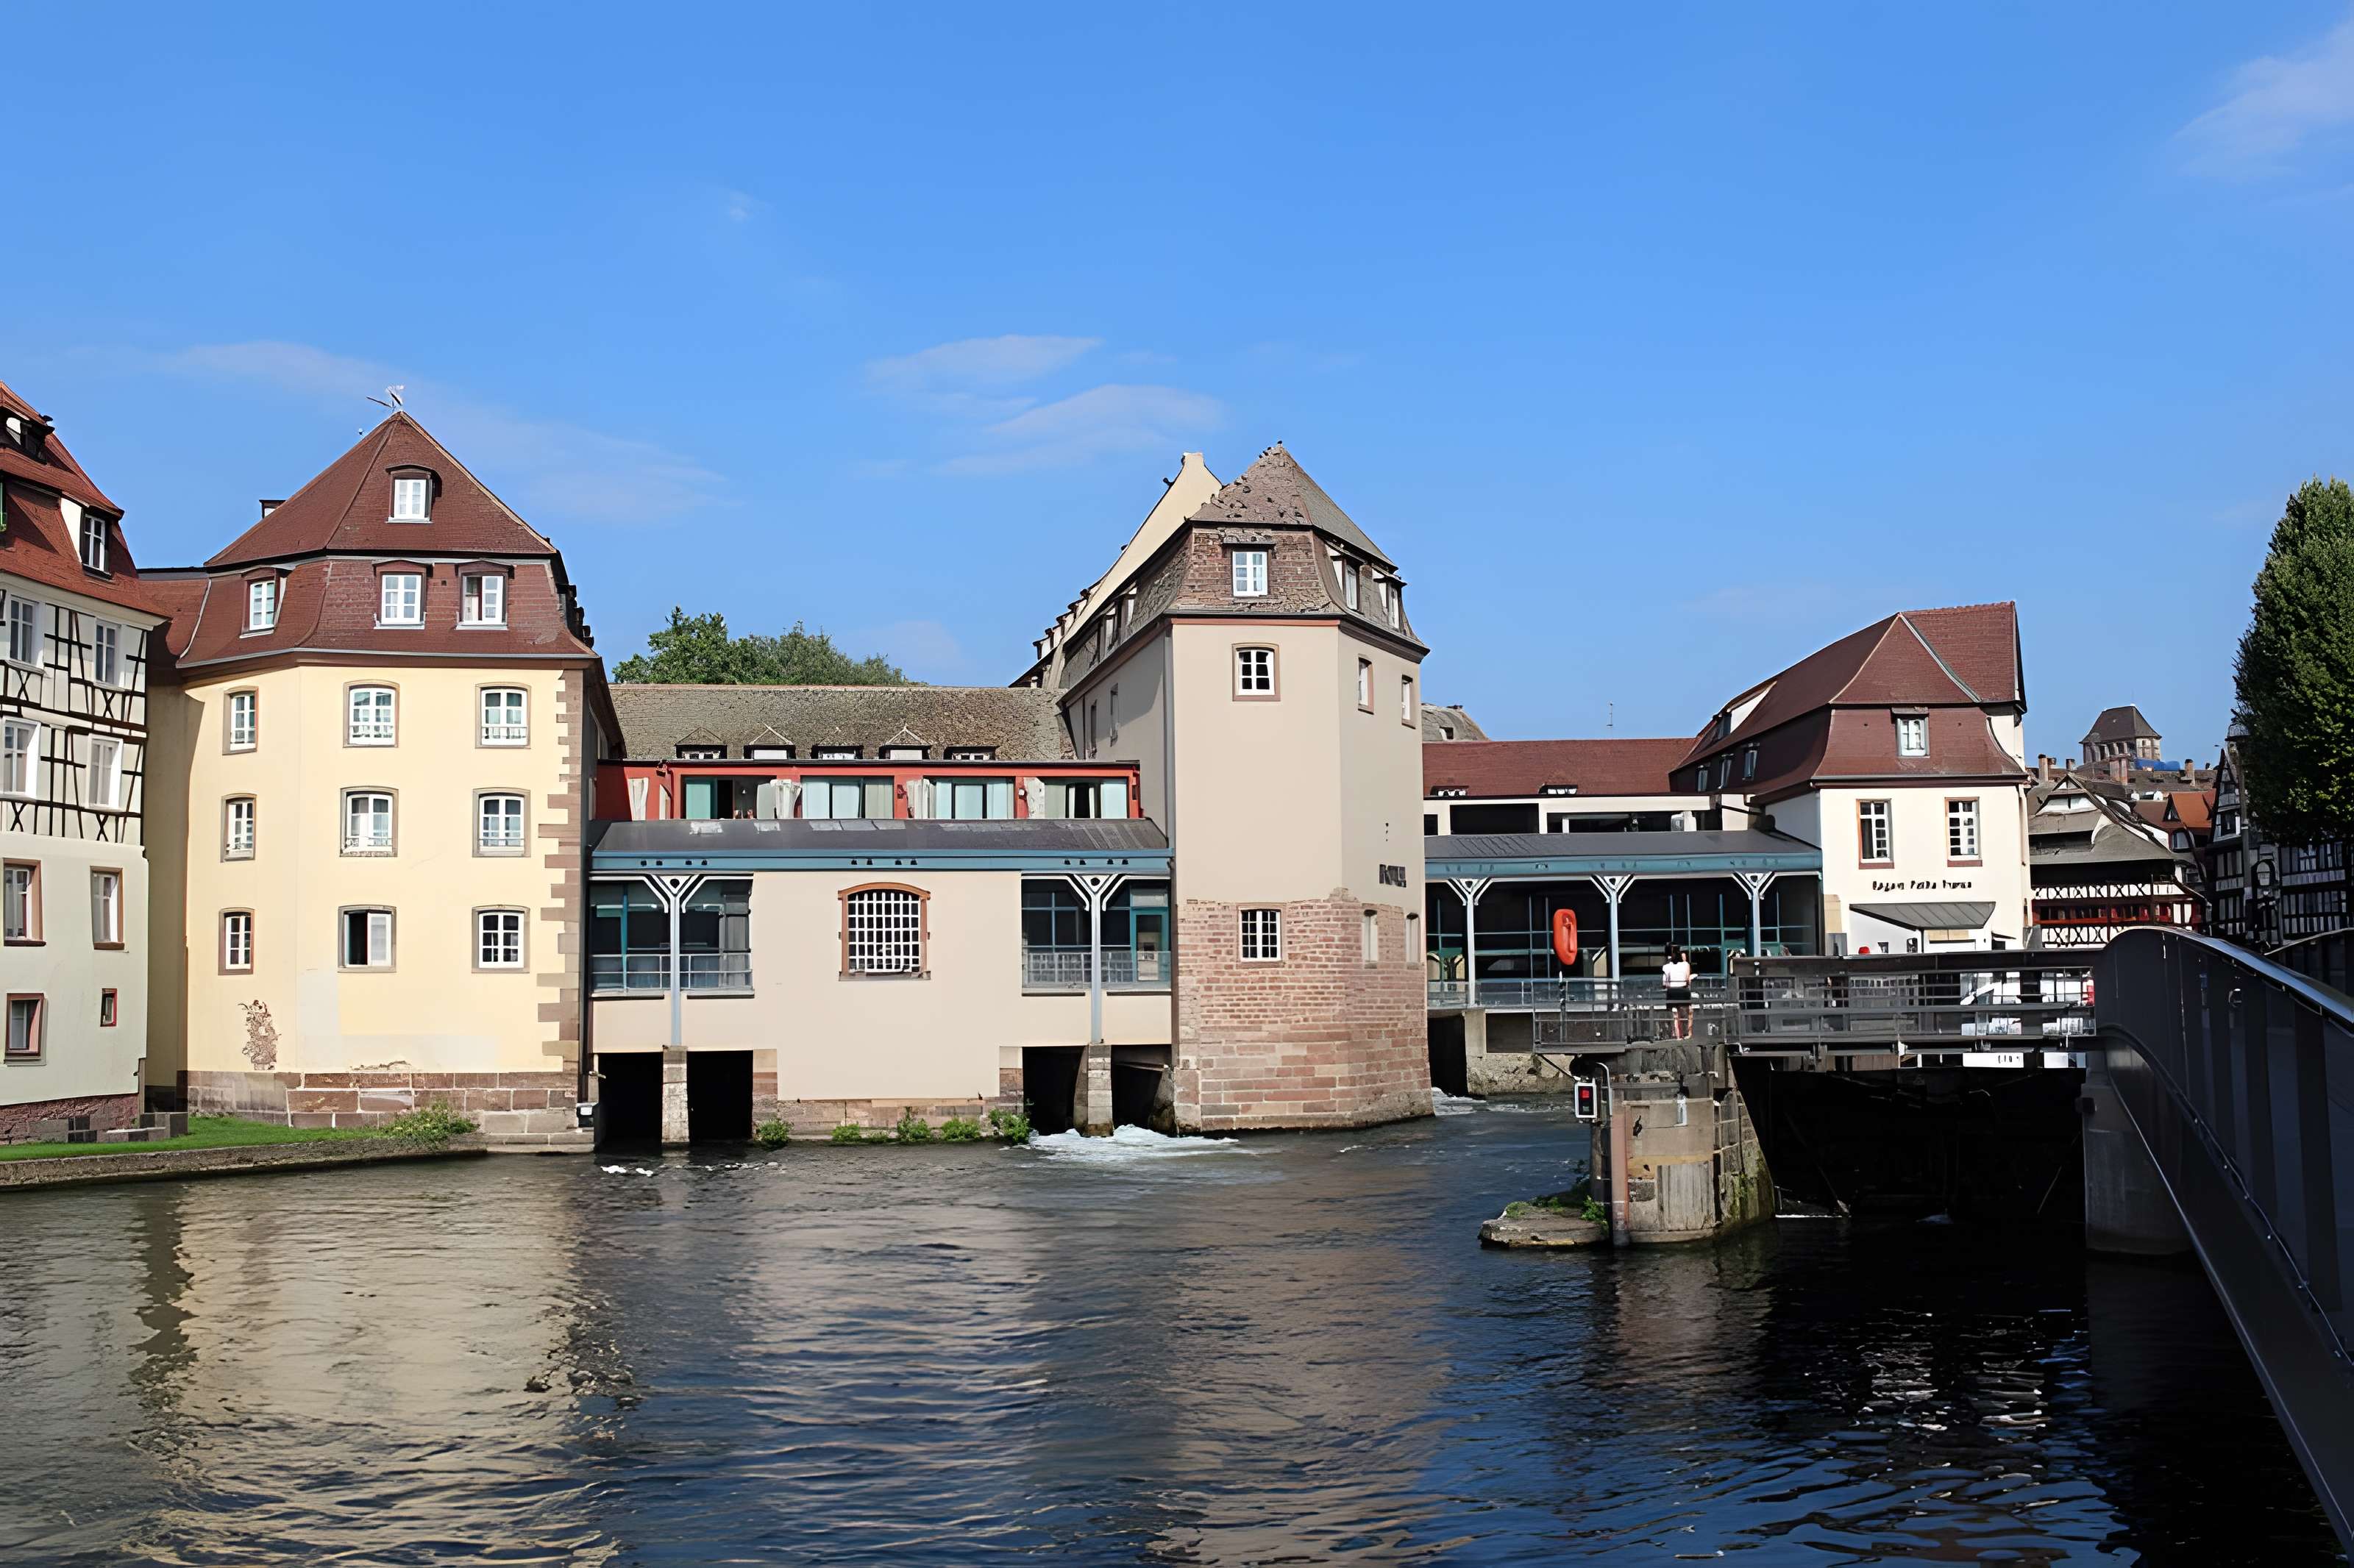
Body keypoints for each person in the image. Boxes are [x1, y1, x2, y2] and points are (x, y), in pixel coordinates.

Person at [1661, 944, 1693, 1041]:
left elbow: (1665, 983)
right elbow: (1688, 980)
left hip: (1672, 991)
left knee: (1676, 1014)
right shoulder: (1686, 965)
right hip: (1682, 989)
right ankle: (1689, 1034)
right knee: (1689, 1012)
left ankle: (1679, 1036)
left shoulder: (1666, 967)